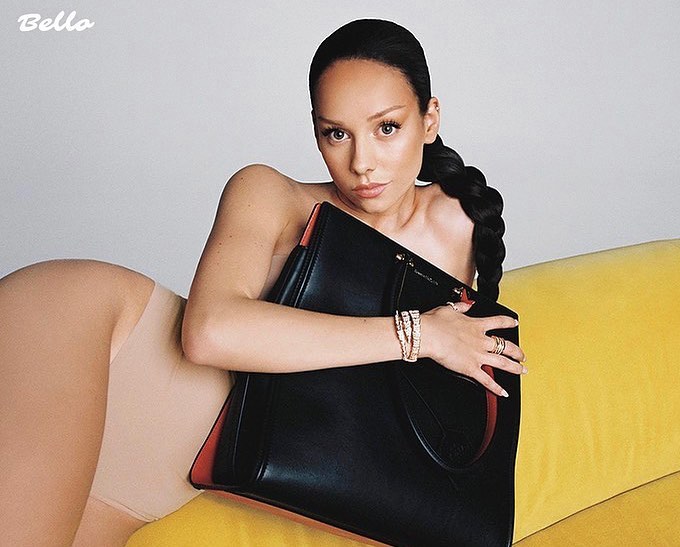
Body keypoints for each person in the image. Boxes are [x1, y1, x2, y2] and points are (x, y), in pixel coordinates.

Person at [0, 19, 526, 547]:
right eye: (336, 133)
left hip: (146, 485)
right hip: (92, 341)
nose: (362, 163)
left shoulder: (460, 226)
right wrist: (417, 333)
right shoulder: (271, 195)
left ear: (429, 120)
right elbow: (209, 333)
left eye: (386, 127)